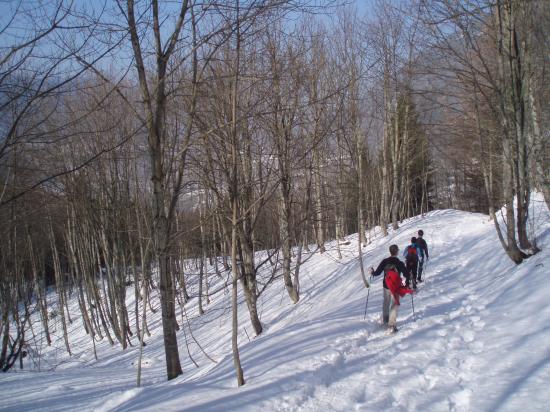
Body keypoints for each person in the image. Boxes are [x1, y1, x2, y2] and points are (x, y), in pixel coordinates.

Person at [369, 245, 413, 333]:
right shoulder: (399, 263)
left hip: (386, 286)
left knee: (386, 303)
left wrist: (372, 272)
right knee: (394, 305)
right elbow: (406, 274)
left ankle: (385, 320)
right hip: (396, 287)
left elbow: (377, 273)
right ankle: (391, 324)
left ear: (390, 251)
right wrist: (409, 275)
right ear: (396, 252)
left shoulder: (385, 261)